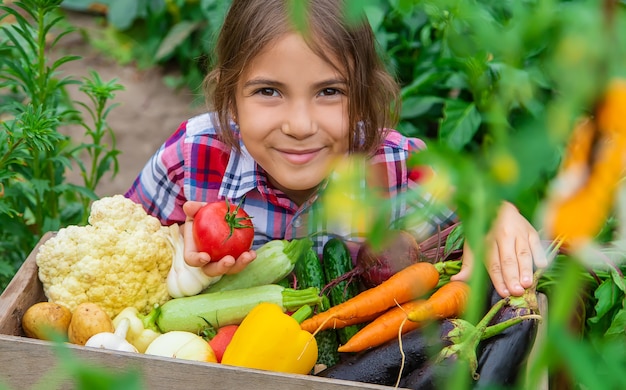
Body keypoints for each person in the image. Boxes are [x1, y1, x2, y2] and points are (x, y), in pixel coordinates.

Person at [125, 0, 547, 298]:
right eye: (268, 91)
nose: (300, 125)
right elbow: (116, 249)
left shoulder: (399, 169)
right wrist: (172, 251)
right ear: (230, 97)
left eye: (329, 91)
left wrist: (495, 217)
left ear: (364, 97)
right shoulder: (192, 159)